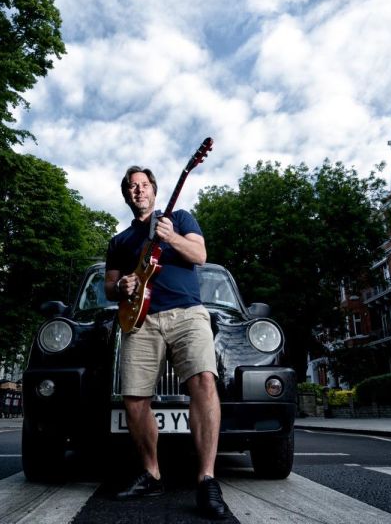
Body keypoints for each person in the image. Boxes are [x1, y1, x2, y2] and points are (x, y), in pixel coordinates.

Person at [104, 165, 228, 520]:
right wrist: (122, 286)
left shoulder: (181, 218)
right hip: (140, 320)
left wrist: (171, 237)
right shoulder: (119, 241)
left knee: (204, 380)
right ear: (126, 195)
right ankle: (152, 473)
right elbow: (110, 286)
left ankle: (206, 479)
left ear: (154, 190)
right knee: (134, 398)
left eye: (143, 185)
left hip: (188, 313)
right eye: (131, 187)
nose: (138, 191)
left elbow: (200, 256)